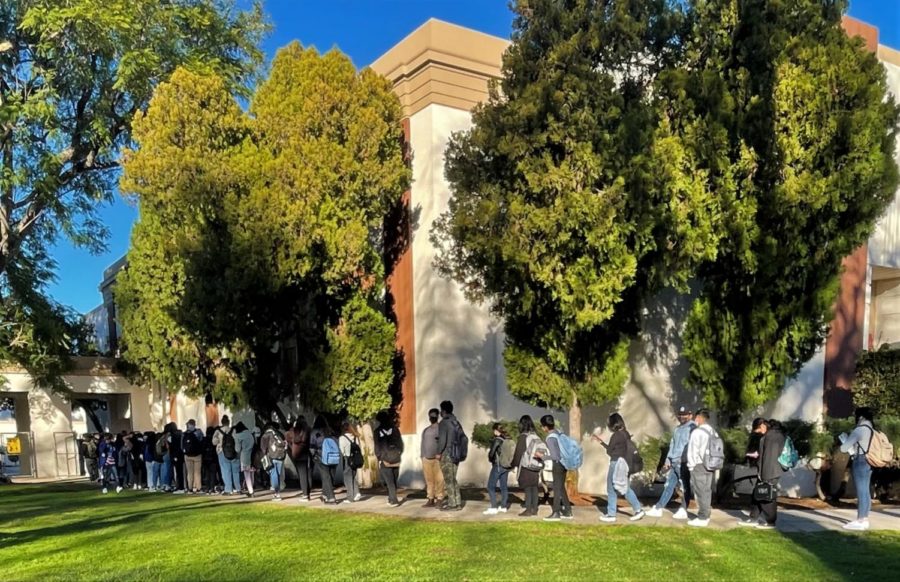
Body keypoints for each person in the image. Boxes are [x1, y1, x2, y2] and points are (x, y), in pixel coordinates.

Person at [594, 413, 645, 523]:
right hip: (625, 464)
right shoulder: (625, 434)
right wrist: (602, 443)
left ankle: (611, 514)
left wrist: (604, 445)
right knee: (624, 487)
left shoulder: (616, 435)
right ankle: (638, 509)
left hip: (616, 463)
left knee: (611, 488)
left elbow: (610, 452)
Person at [646, 406, 695, 519]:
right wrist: (668, 460)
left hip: (683, 463)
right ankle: (658, 508)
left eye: (685, 414)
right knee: (668, 486)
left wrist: (686, 461)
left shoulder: (692, 429)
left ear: (690, 415)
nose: (682, 417)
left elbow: (692, 447)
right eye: (680, 414)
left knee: (684, 487)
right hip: (674, 462)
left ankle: (683, 508)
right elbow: (672, 445)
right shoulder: (677, 429)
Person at [738, 418, 785, 530]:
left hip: (769, 471)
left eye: (758, 430)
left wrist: (763, 474)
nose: (759, 433)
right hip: (769, 470)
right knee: (758, 494)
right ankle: (753, 517)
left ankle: (770, 521)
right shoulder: (775, 435)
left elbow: (769, 457)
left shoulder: (771, 437)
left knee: (767, 497)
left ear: (763, 426)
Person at [840, 407, 876, 531]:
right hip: (869, 461)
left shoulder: (859, 430)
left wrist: (845, 438)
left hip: (859, 460)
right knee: (866, 491)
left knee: (861, 491)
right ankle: (865, 519)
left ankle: (860, 520)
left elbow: (844, 448)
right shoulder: (872, 429)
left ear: (860, 417)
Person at [686, 408, 717, 527]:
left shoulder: (697, 432)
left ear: (699, 418)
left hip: (699, 464)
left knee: (700, 491)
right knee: (707, 490)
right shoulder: (712, 431)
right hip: (711, 464)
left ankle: (703, 517)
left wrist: (691, 466)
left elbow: (692, 451)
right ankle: (706, 514)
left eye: (696, 418)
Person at [541, 415, 573, 521]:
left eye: (542, 426)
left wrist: (542, 456)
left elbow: (555, 456)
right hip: (564, 463)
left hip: (557, 464)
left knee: (556, 488)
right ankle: (568, 510)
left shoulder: (550, 438)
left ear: (545, 427)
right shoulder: (559, 433)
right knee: (560, 487)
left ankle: (556, 512)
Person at [512, 415, 541, 517]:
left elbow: (518, 453)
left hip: (526, 466)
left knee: (528, 488)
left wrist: (513, 464)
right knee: (534, 488)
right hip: (535, 465)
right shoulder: (535, 436)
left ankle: (528, 509)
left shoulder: (523, 437)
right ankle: (535, 509)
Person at [437, 400, 463, 511]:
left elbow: (442, 440)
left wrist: (438, 452)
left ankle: (452, 504)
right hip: (456, 453)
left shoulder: (444, 423)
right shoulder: (456, 422)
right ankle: (458, 502)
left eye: (441, 410)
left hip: (447, 453)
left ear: (443, 411)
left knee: (448, 480)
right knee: (453, 479)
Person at [374, 410, 403, 507]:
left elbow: (377, 446)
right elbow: (400, 444)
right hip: (396, 458)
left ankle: (393, 500)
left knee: (389, 481)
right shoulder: (395, 429)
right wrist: (399, 453)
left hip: (385, 459)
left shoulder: (377, 431)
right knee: (394, 480)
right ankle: (391, 498)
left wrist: (379, 457)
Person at [483, 423, 512, 516]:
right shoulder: (507, 440)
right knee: (504, 486)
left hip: (498, 465)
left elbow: (492, 453)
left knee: (490, 486)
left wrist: (490, 459)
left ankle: (494, 507)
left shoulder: (497, 440)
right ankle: (503, 506)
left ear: (496, 430)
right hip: (506, 466)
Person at [420, 408, 445, 508]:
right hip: (426, 459)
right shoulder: (426, 430)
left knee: (440, 480)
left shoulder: (441, 429)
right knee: (429, 480)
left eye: (434, 416)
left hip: (438, 459)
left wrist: (440, 454)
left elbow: (443, 442)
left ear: (437, 416)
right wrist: (422, 456)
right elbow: (422, 443)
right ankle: (430, 499)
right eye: (431, 416)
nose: (432, 418)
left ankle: (439, 499)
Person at [311, 417, 339, 504]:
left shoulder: (315, 433)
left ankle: (331, 497)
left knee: (326, 476)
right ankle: (324, 495)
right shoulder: (331, 431)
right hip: (334, 456)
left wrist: (314, 456)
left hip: (321, 456)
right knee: (331, 476)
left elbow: (312, 446)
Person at [213, 415, 242, 496]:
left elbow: (214, 442)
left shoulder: (218, 431)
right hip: (234, 453)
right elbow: (237, 440)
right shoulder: (234, 430)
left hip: (222, 452)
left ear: (222, 422)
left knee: (226, 471)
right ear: (229, 422)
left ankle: (228, 489)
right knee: (235, 471)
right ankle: (238, 488)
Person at [285, 417, 312, 502]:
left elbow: (287, 436)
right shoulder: (307, 431)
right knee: (307, 474)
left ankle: (305, 495)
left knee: (302, 475)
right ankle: (307, 493)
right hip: (306, 453)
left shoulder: (294, 432)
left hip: (297, 454)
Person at [260, 422, 287, 500]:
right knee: (278, 474)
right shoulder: (279, 434)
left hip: (272, 457)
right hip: (281, 457)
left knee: (274, 475)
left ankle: (277, 493)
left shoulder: (266, 435)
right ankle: (278, 490)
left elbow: (263, 448)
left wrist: (264, 456)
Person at [339, 421, 362, 503]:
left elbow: (342, 450)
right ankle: (357, 493)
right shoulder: (355, 437)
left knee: (347, 478)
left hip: (348, 458)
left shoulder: (342, 438)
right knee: (354, 476)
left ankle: (350, 497)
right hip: (355, 459)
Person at [182, 419, 205, 494]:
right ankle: (199, 488)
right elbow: (202, 441)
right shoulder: (198, 432)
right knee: (197, 472)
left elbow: (181, 445)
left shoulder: (184, 434)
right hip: (197, 455)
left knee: (190, 472)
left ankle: (190, 488)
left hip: (187, 455)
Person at [233, 421, 255, 497]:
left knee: (247, 475)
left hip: (244, 456)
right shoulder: (250, 434)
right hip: (252, 455)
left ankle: (251, 491)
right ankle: (251, 489)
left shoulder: (238, 436)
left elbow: (237, 449)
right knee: (251, 474)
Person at [202, 426, 220, 494]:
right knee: (213, 474)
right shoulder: (214, 440)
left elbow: (202, 449)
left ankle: (207, 488)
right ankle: (212, 488)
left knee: (207, 474)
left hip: (205, 459)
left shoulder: (204, 439)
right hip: (213, 459)